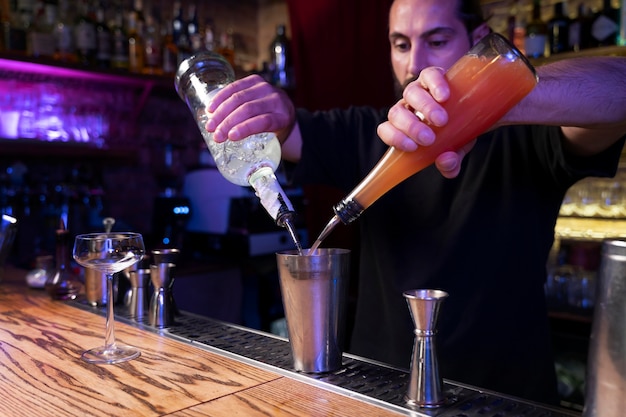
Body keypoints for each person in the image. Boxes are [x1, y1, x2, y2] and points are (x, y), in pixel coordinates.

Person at [203, 0, 626, 404]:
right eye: (401, 44)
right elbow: (289, 132)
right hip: (379, 395)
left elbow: (619, 87)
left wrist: (498, 95)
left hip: (505, 398)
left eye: (437, 41)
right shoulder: (365, 132)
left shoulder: (531, 138)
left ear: (479, 39)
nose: (414, 64)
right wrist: (275, 114)